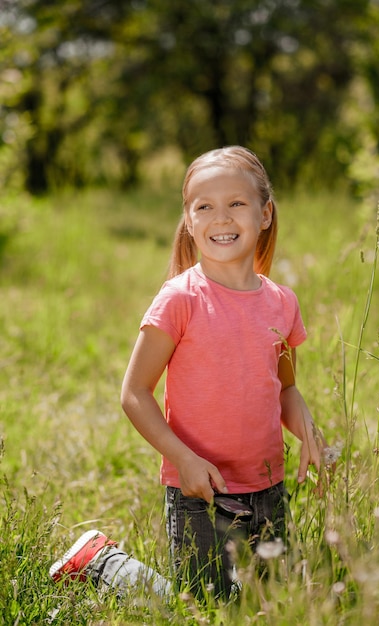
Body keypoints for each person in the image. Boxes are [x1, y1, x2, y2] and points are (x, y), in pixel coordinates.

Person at [49, 146, 323, 601]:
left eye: (237, 203)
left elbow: (286, 389)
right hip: (200, 487)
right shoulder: (181, 299)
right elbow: (135, 392)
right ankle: (102, 561)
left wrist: (308, 431)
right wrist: (184, 460)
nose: (222, 218)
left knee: (271, 605)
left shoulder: (282, 302)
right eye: (205, 207)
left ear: (266, 212)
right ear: (189, 220)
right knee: (201, 608)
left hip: (268, 487)